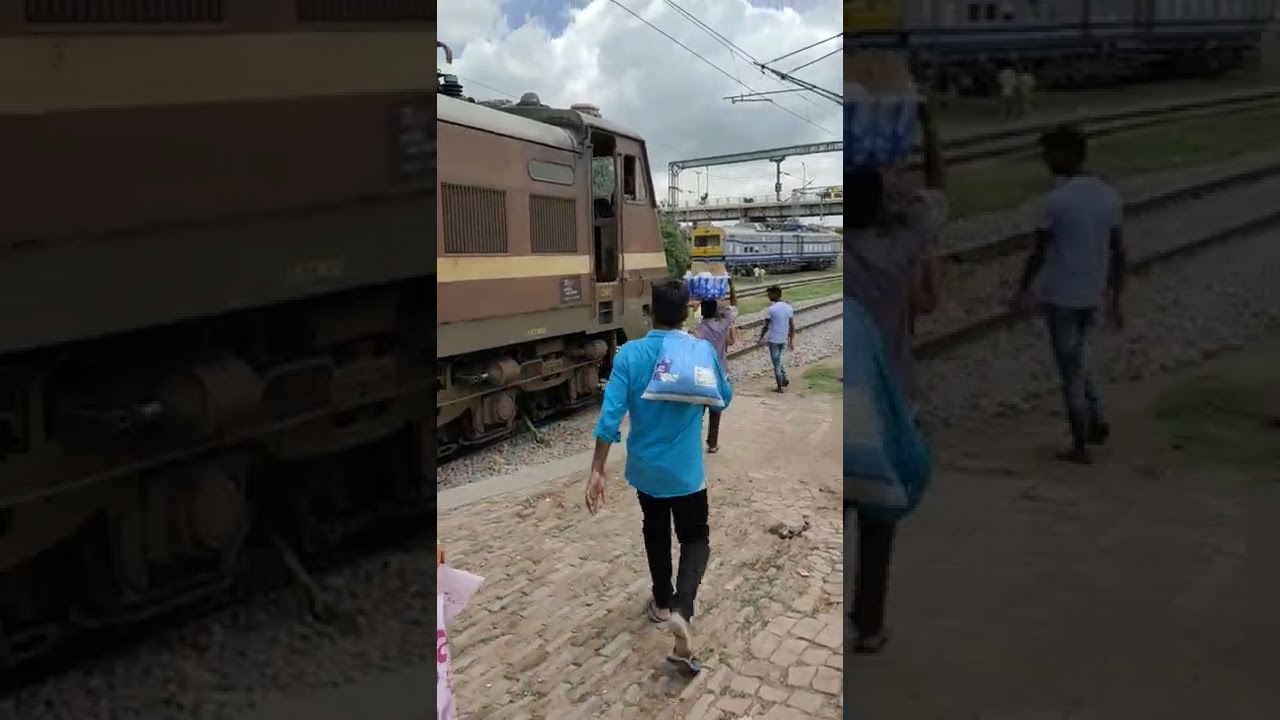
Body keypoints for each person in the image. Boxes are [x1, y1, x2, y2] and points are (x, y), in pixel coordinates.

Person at [585, 279, 734, 670]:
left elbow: (610, 418)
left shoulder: (630, 355)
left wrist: (597, 469)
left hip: (646, 470)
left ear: (649, 312)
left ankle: (663, 601)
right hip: (686, 472)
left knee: (655, 529)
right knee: (695, 537)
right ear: (687, 313)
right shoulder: (699, 350)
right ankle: (683, 608)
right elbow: (724, 397)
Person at [844, 100, 947, 655]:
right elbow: (937, 195)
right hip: (890, 398)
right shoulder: (897, 251)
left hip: (844, 401)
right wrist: (929, 131)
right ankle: (869, 624)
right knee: (879, 516)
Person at [1012, 126, 1125, 464]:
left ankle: (1080, 444)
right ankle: (1096, 417)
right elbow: (1119, 252)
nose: (1045, 161)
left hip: (1062, 297)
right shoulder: (1109, 195)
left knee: (1070, 371)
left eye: (1049, 153)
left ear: (1067, 153)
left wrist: (1023, 289)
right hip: (1093, 294)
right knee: (1077, 360)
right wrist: (1116, 297)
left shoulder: (1057, 201)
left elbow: (1039, 252)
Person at [689, 282, 739, 453]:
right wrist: (731, 288)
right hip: (720, 372)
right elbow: (733, 308)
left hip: (702, 374)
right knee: (716, 410)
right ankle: (712, 443)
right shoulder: (722, 324)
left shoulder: (698, 330)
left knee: (699, 410)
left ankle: (693, 441)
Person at [758, 286, 795, 393]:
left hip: (774, 340)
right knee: (779, 360)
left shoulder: (772, 309)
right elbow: (792, 325)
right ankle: (784, 378)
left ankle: (779, 387)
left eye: (769, 294)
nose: (768, 296)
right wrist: (791, 340)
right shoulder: (788, 307)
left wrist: (761, 337)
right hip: (783, 339)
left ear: (775, 294)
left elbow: (766, 325)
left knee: (776, 364)